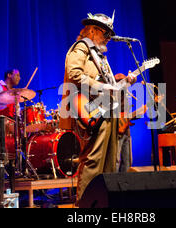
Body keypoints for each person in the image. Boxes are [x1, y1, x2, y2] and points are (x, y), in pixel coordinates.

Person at [60, 12, 136, 204]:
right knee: (93, 162)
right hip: (91, 112)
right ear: (93, 31)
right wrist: (102, 86)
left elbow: (109, 84)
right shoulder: (81, 48)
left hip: (107, 111)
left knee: (110, 163)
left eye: (110, 35)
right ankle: (84, 207)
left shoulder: (99, 55)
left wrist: (126, 82)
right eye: (105, 33)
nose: (108, 38)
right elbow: (74, 74)